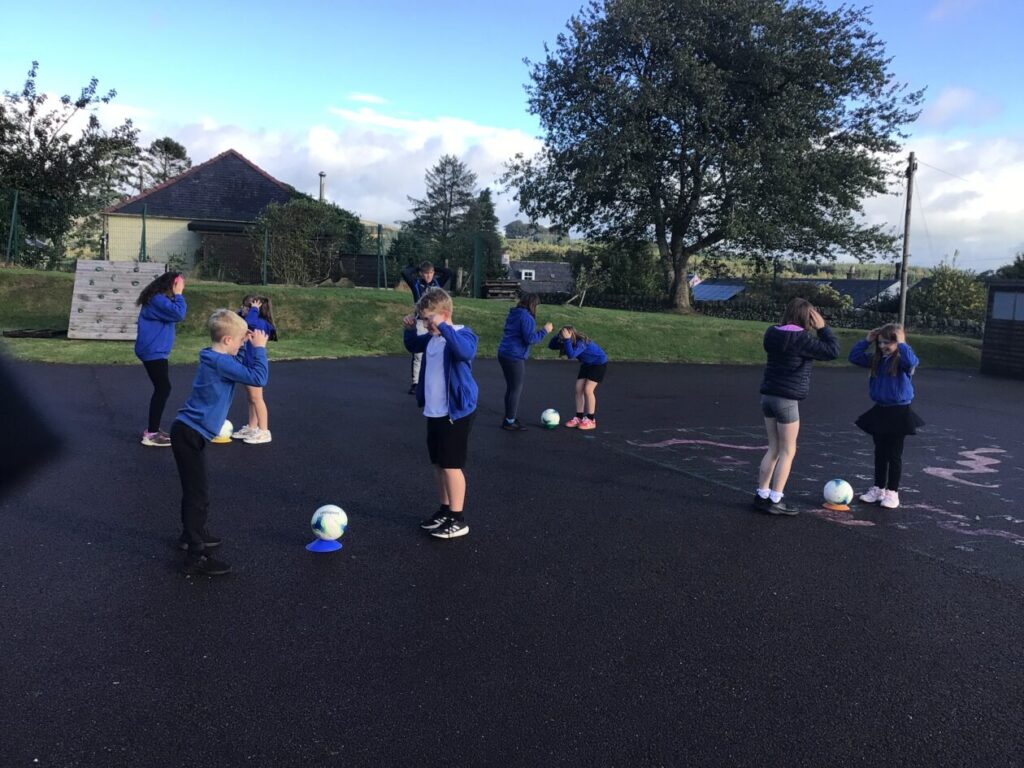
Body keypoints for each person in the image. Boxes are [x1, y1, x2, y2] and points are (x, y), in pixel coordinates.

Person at [171, 310, 269, 576]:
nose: (241, 344)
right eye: (239, 340)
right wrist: (259, 349)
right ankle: (195, 555)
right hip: (189, 434)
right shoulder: (220, 362)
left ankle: (190, 534)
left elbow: (237, 362)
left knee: (196, 492)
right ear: (227, 340)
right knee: (197, 495)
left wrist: (245, 344)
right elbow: (258, 377)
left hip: (190, 433)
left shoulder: (215, 357)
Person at [403, 287, 478, 540]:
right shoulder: (431, 338)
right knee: (438, 464)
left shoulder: (462, 334)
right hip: (434, 411)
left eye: (428, 319)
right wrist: (410, 328)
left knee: (451, 465)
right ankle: (445, 510)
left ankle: (458, 518)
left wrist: (443, 327)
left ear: (444, 315)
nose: (426, 324)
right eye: (423, 320)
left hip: (455, 412)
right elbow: (412, 344)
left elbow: (465, 352)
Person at [754, 298, 839, 516]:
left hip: (768, 397)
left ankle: (761, 495)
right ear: (808, 317)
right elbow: (832, 351)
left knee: (773, 448)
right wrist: (823, 328)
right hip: (787, 400)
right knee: (788, 450)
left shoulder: (771, 333)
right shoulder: (802, 339)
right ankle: (776, 498)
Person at [848, 323, 923, 510]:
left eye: (887, 343)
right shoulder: (877, 360)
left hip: (899, 412)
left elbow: (912, 362)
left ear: (897, 342)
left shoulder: (902, 362)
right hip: (880, 410)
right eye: (880, 343)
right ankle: (878, 488)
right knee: (880, 453)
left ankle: (892, 492)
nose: (882, 346)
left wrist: (902, 343)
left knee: (894, 455)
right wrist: (867, 340)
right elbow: (854, 357)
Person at [134, 271, 187, 447]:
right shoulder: (157, 300)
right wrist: (179, 294)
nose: (182, 288)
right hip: (152, 351)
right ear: (172, 285)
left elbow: (174, 314)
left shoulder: (159, 299)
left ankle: (153, 429)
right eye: (180, 285)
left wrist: (176, 295)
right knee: (163, 388)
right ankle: (151, 434)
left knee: (162, 388)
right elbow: (179, 314)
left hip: (155, 350)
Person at [497, 293, 554, 430]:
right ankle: (509, 421)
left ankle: (509, 417)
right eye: (537, 305)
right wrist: (545, 331)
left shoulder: (514, 313)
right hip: (514, 356)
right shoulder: (526, 317)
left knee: (511, 387)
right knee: (516, 389)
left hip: (504, 352)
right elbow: (530, 339)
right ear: (532, 304)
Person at [230, 295, 278, 445]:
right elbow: (237, 321)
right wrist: (243, 311)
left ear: (255, 309)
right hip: (247, 364)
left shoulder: (260, 323)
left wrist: (254, 309)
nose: (242, 309)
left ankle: (264, 431)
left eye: (245, 307)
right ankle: (252, 427)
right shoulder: (251, 319)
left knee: (257, 399)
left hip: (254, 365)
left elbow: (248, 323)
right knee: (251, 398)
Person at [400, 260, 452, 394]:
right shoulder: (416, 283)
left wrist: (434, 268)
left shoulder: (437, 283)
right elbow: (405, 272)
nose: (428, 276)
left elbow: (448, 272)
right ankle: (416, 383)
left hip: (436, 322)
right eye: (425, 273)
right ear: (421, 274)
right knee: (418, 355)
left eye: (430, 273)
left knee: (437, 350)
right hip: (420, 321)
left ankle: (435, 381)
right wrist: (419, 267)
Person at [547, 326, 608, 431]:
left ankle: (591, 420)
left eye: (565, 335)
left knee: (588, 390)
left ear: (572, 335)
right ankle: (579, 418)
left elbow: (571, 355)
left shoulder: (581, 342)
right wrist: (558, 336)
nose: (563, 338)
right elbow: (551, 346)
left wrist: (567, 339)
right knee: (578, 389)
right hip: (586, 364)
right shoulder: (566, 340)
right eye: (562, 336)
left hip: (598, 363)